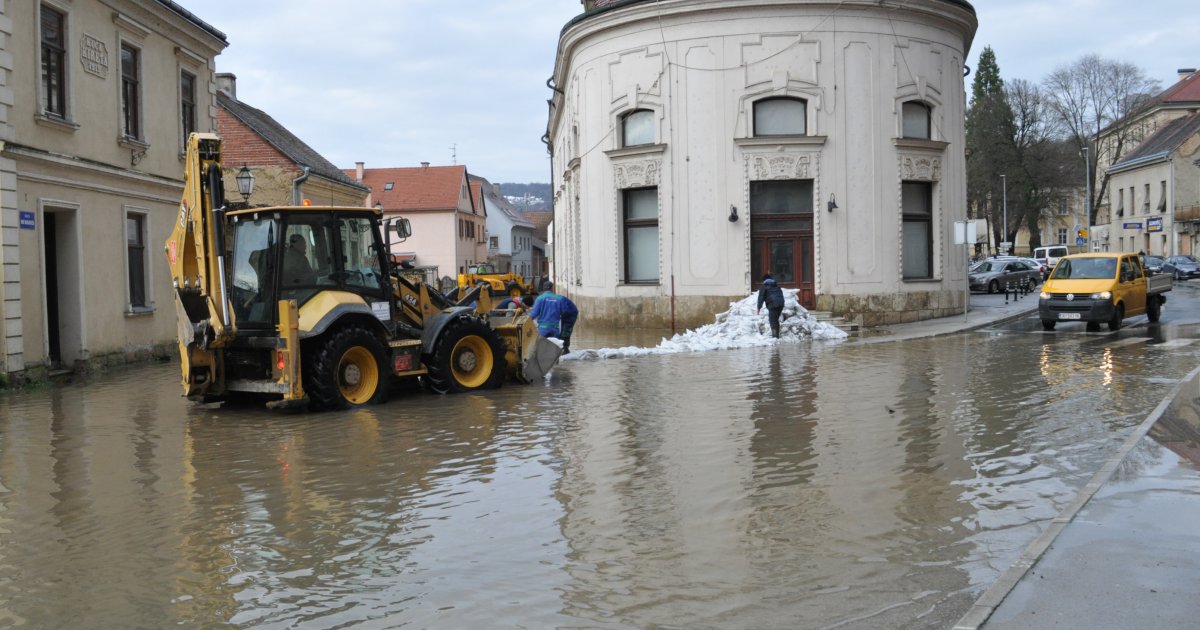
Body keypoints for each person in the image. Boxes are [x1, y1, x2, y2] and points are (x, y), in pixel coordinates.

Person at [529, 284, 578, 353]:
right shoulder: (559, 299)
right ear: (552, 288)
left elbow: (534, 314)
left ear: (543, 289)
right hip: (555, 328)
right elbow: (565, 312)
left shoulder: (539, 298)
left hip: (543, 328)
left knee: (541, 350)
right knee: (554, 349)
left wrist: (526, 321)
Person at [756, 273, 785, 338]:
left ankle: (775, 337)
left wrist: (758, 308)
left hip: (773, 304)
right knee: (775, 320)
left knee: (772, 320)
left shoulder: (764, 287)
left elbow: (761, 298)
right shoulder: (776, 285)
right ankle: (776, 336)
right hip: (781, 304)